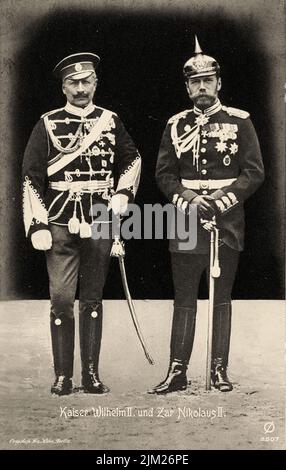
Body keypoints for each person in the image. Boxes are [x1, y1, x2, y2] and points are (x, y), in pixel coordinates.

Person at [149, 37, 264, 394]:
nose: (202, 87)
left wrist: (223, 199)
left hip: (226, 221)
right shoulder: (175, 125)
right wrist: (186, 198)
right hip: (185, 220)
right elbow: (164, 174)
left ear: (219, 83)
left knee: (221, 296)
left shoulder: (240, 122)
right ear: (187, 87)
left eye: (208, 80)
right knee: (184, 298)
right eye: (195, 82)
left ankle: (218, 370)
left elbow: (254, 172)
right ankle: (177, 371)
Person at [22, 53, 141, 395]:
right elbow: (31, 177)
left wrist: (122, 193)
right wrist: (37, 224)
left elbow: (131, 158)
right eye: (72, 83)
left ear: (95, 83)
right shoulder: (47, 123)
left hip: (101, 219)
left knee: (91, 299)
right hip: (60, 219)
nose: (80, 88)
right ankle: (63, 376)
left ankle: (89, 374)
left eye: (85, 81)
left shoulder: (110, 120)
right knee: (61, 298)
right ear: (63, 87)